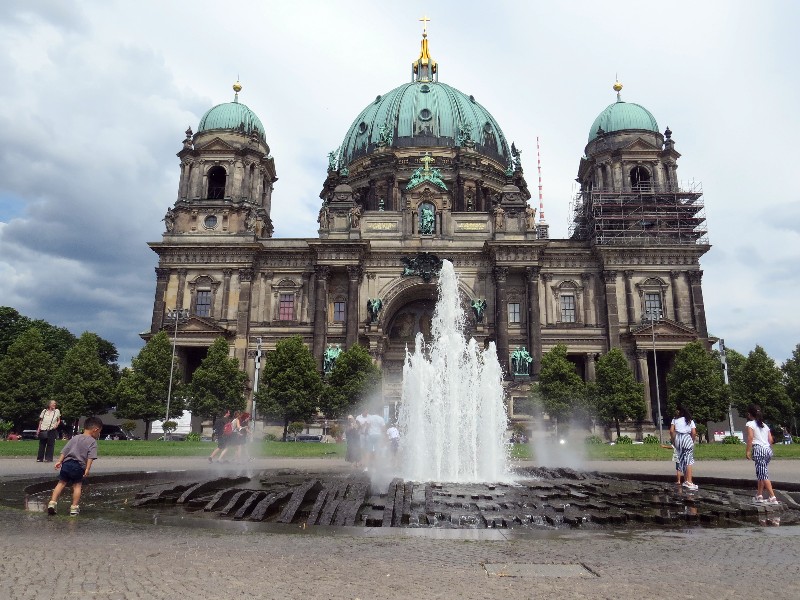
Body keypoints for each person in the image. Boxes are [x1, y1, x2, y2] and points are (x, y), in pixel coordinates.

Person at [47, 416, 103, 516]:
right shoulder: (92, 442)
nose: (98, 434)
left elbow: (65, 450)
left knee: (61, 483)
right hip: (78, 466)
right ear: (95, 430)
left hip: (67, 464)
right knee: (77, 486)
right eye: (99, 432)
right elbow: (90, 457)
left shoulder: (75, 437)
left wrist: (59, 461)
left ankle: (52, 503)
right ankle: (74, 507)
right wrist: (87, 469)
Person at [745, 404, 779, 505]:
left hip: (759, 450)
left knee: (763, 474)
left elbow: (750, 437)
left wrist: (748, 451)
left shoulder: (750, 424)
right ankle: (759, 495)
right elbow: (771, 440)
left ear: (749, 414)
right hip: (768, 450)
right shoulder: (764, 425)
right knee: (761, 472)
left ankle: (772, 497)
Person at [669, 405, 698, 491]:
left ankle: (685, 480)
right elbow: (693, 432)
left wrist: (674, 440)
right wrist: (691, 440)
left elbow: (671, 431)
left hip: (678, 439)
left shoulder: (674, 420)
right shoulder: (689, 420)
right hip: (686, 438)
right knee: (688, 461)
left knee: (681, 460)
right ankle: (689, 482)